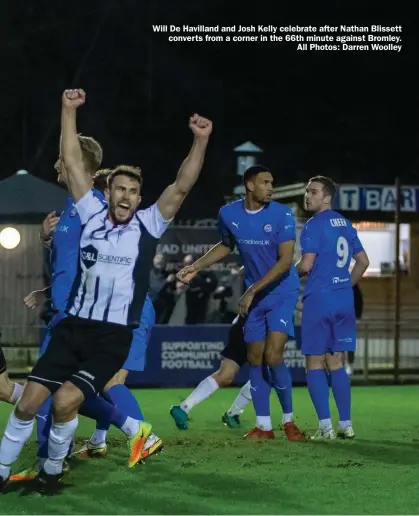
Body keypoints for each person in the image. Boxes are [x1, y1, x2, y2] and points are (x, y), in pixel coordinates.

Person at [0, 88, 212, 491]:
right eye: (119, 188)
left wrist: (200, 142)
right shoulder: (89, 212)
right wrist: (67, 111)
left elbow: (182, 186)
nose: (125, 196)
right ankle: (4, 471)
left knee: (65, 402)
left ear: (139, 198)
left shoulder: (149, 225)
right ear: (108, 190)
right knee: (29, 400)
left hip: (111, 336)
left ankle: (52, 471)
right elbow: (73, 161)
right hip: (71, 326)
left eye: (133, 191)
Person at [12, 169, 162, 482]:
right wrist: (46, 243)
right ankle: (102, 440)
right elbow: (78, 262)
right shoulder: (71, 208)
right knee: (79, 387)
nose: (56, 166)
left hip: (107, 313)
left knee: (103, 383)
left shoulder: (91, 205)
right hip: (77, 312)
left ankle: (135, 438)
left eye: (62, 160)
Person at [175, 165, 304, 441]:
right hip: (254, 295)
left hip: (281, 291)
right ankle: (263, 426)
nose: (271, 187)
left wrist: (252, 290)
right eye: (265, 182)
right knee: (255, 359)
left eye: (272, 182)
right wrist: (196, 267)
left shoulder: (282, 214)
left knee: (273, 356)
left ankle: (289, 421)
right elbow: (226, 245)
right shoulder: (229, 214)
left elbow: (284, 262)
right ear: (249, 185)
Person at [296, 176, 369, 440]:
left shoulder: (313, 225)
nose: (307, 196)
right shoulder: (347, 225)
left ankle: (325, 427)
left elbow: (305, 266)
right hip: (342, 301)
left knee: (314, 363)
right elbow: (363, 261)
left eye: (313, 192)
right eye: (307, 191)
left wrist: (288, 279)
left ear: (327, 197)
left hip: (320, 300)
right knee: (336, 362)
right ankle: (346, 424)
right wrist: (345, 286)